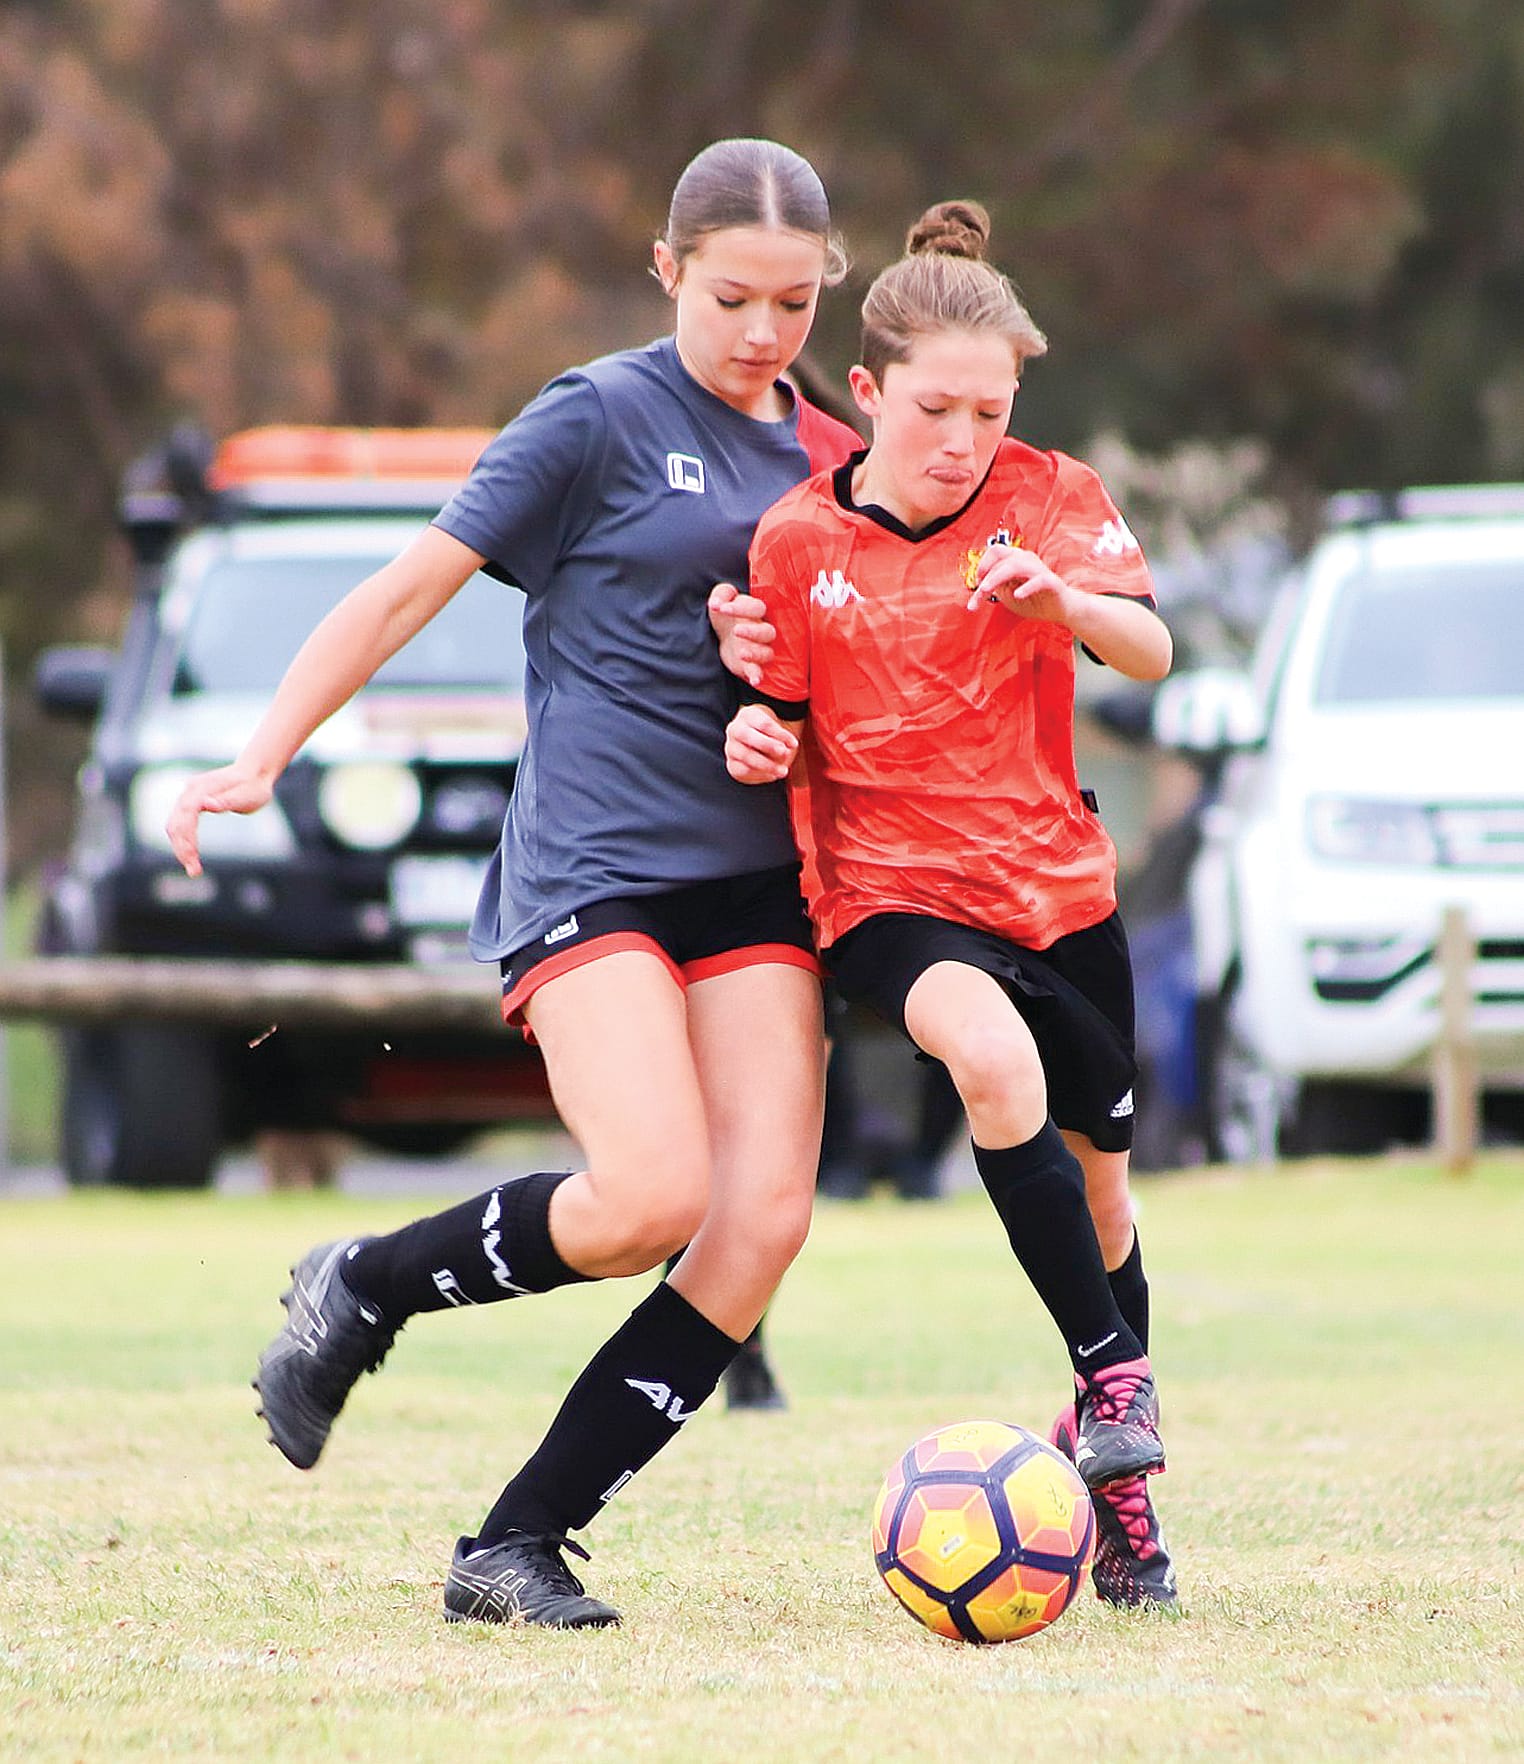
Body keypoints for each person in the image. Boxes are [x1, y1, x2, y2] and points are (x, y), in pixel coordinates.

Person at [165, 138, 862, 1629]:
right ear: (667, 269)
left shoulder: (830, 458)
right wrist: (262, 753)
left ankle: (516, 1544)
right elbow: (408, 588)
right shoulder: (594, 416)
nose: (762, 333)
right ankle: (361, 1282)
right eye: (733, 295)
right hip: (597, 865)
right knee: (648, 1198)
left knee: (760, 1226)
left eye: (796, 305)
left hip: (755, 885)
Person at [718, 200, 1179, 1607]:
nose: (965, 436)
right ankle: (1111, 1377)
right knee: (991, 1061)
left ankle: (1126, 1502)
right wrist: (755, 737)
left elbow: (1151, 653)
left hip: (1057, 890)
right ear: (865, 395)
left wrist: (1069, 611)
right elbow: (774, 715)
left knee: (1105, 1208)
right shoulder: (798, 545)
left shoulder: (1052, 494)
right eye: (937, 408)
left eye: (991, 408)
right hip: (887, 901)